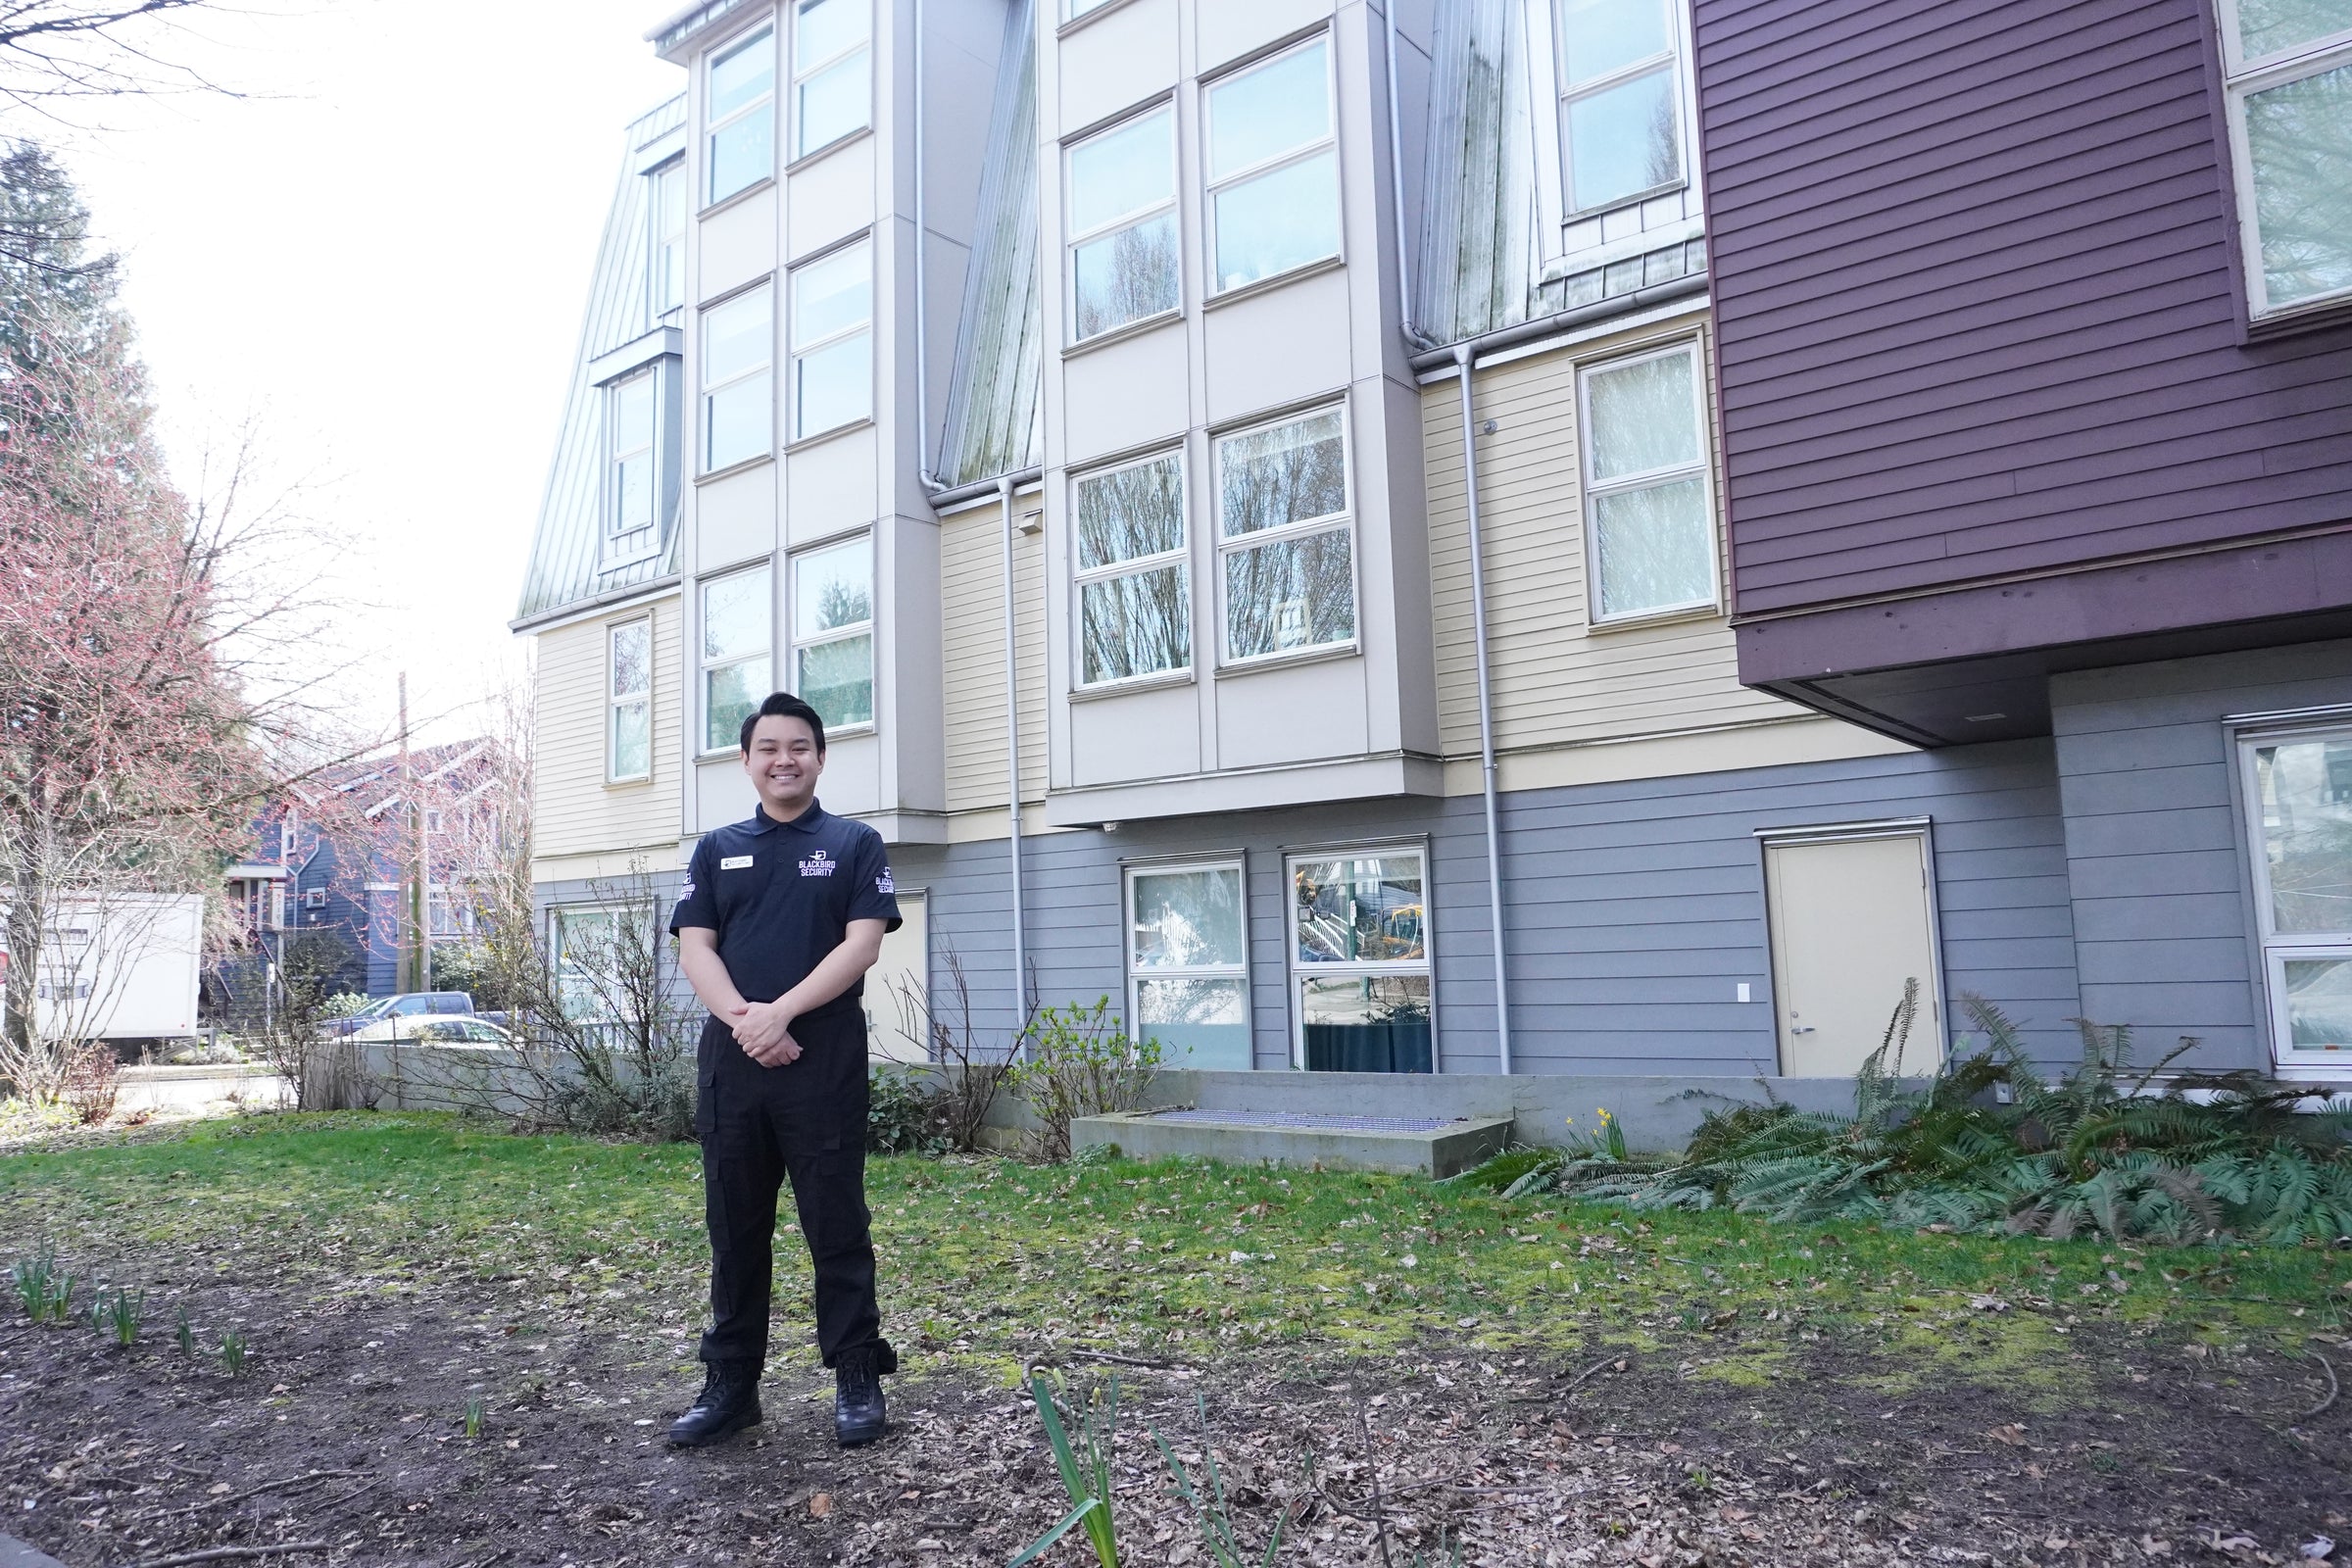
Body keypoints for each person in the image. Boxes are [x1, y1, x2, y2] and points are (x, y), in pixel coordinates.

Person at [664, 692, 903, 1449]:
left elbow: (861, 945)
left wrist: (781, 1014)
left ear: (821, 757)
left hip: (822, 1060)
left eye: (798, 747)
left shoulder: (856, 843)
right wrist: (747, 1021)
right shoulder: (716, 848)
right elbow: (694, 947)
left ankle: (857, 1375)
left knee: (836, 1224)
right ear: (746, 761)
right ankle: (732, 1385)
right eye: (768, 748)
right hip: (734, 1066)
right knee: (735, 1229)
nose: (783, 760)